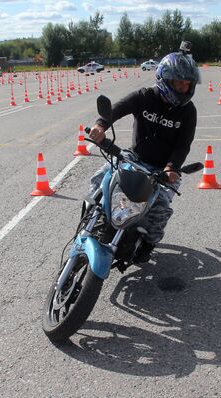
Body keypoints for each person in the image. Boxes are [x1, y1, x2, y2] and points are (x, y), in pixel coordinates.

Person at [88, 41, 200, 263]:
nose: (182, 88)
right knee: (101, 179)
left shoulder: (189, 112)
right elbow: (118, 108)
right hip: (134, 158)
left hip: (163, 170)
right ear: (165, 79)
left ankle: (148, 243)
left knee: (159, 209)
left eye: (186, 84)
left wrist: (172, 168)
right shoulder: (145, 96)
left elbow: (183, 145)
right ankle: (94, 218)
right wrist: (101, 125)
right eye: (178, 83)